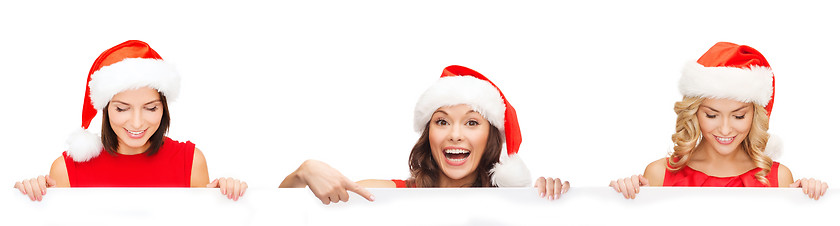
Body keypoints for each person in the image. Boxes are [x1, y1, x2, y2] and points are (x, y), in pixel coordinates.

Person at [279, 65, 569, 205]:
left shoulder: (514, 204)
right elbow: (277, 215)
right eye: (442, 122)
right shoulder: (383, 195)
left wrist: (559, 202)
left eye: (471, 123)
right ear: (428, 134)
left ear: (490, 139)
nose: (455, 135)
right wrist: (302, 174)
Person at [14, 40, 247, 201]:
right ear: (105, 110)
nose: (137, 123)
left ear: (164, 108)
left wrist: (226, 200)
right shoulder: (67, 169)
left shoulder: (191, 162)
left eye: (150, 107)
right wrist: (26, 201)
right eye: (122, 108)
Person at [609, 42, 828, 200]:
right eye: (712, 115)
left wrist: (811, 201)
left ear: (755, 116)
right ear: (694, 113)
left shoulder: (777, 178)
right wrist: (621, 199)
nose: (725, 129)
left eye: (739, 116)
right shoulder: (659, 174)